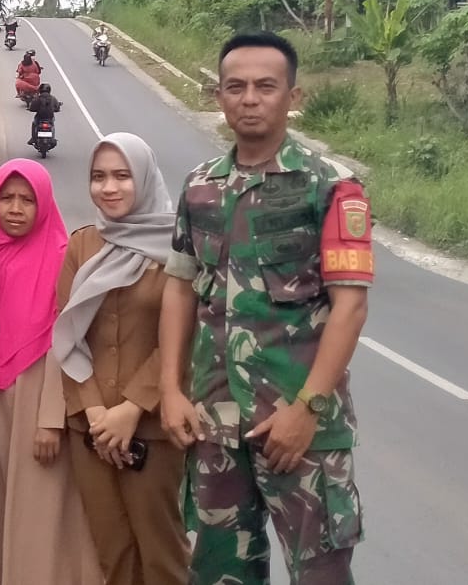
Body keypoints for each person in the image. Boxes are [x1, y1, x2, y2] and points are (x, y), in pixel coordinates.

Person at [158, 32, 373, 585]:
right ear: (218, 96)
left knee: (321, 574)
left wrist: (308, 409)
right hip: (215, 424)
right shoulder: (200, 187)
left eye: (265, 86)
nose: (249, 99)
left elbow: (350, 307)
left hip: (301, 429)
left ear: (292, 96)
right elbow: (180, 288)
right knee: (220, 573)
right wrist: (170, 391)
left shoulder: (330, 188)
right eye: (235, 87)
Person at [53, 133, 190, 585]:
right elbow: (67, 333)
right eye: (98, 177)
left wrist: (131, 409)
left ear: (144, 179)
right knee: (112, 554)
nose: (108, 187)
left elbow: (186, 336)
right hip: (90, 430)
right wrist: (96, 413)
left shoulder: (179, 247)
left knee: (162, 554)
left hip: (154, 427)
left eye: (122, 176)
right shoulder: (82, 245)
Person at [0, 162, 100, 585]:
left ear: (44, 204)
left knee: (38, 509)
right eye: (6, 198)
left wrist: (51, 419)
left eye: (27, 200)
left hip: (38, 393)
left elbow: (68, 342)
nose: (15, 209)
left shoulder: (62, 257)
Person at [27, 82, 64, 147]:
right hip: (49, 118)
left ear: (40, 90)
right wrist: (56, 109)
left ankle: (33, 138)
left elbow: (32, 108)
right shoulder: (53, 98)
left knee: (34, 123)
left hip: (40, 118)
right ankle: (52, 138)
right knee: (52, 125)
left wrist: (31, 109)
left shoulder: (37, 98)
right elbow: (57, 108)